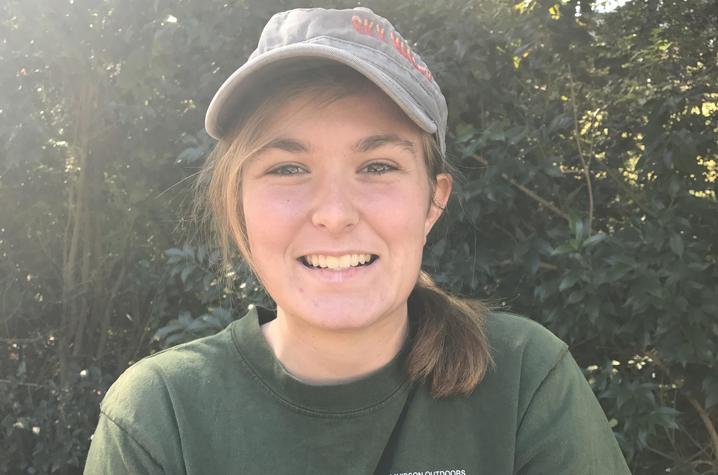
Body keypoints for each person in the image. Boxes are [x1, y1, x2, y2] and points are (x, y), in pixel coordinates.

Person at [84, 7, 631, 475]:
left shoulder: (522, 378)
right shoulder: (159, 415)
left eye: (376, 165)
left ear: (433, 201)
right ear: (238, 204)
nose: (334, 214)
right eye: (289, 168)